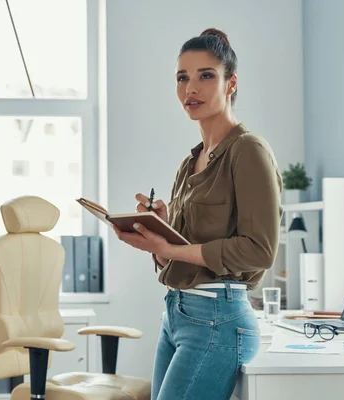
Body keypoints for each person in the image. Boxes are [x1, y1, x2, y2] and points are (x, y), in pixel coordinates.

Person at [112, 28, 283, 400]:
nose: (191, 88)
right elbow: (173, 258)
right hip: (177, 314)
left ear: (230, 83)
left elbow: (259, 251)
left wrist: (171, 249)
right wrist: (155, 234)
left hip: (218, 320)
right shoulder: (189, 162)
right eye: (182, 78)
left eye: (206, 75)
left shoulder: (248, 150)